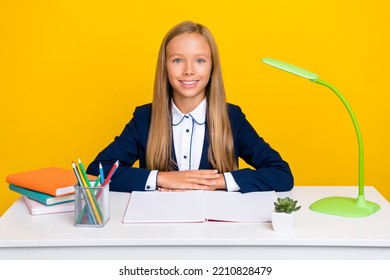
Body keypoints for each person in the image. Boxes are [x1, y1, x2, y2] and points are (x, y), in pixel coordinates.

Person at [86, 21, 294, 193]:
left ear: (212, 67)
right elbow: (97, 171)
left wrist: (217, 181)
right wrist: (164, 179)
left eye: (200, 61)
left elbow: (281, 174)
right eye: (177, 60)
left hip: (216, 229)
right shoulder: (145, 118)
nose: (189, 71)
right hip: (159, 227)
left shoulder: (231, 117)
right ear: (164, 67)